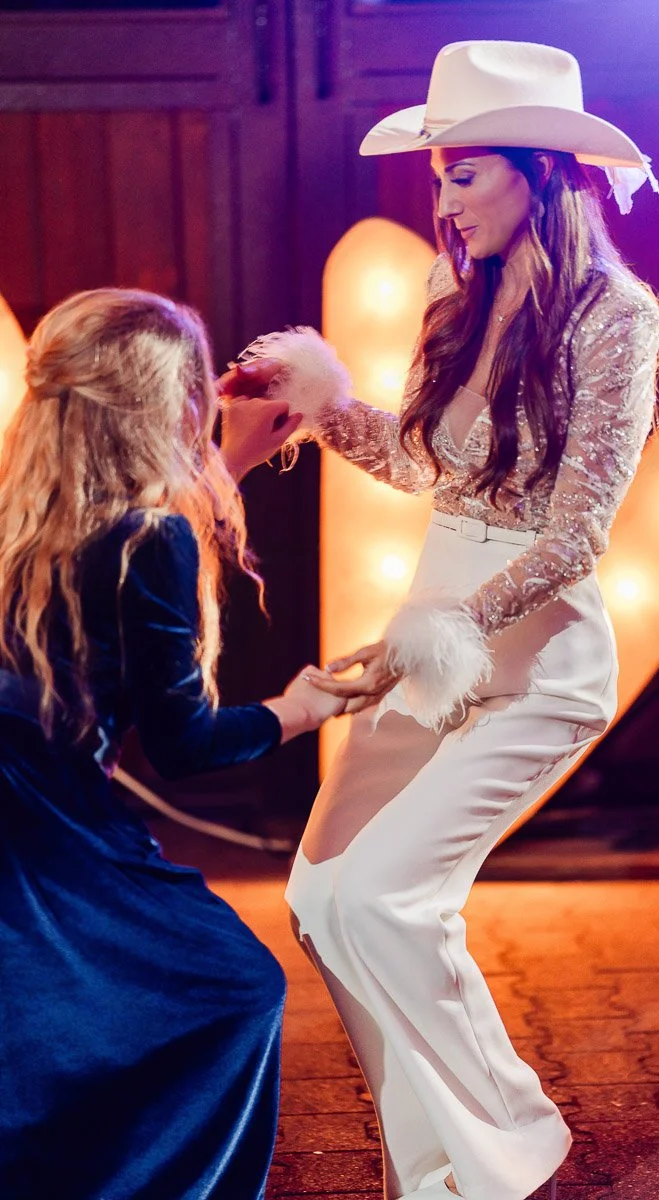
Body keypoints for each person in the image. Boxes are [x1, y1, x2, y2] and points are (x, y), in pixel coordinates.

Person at [240, 40, 659, 1200]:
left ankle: (516, 1151)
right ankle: (431, 1170)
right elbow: (435, 473)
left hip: (536, 662)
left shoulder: (615, 315)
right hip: (437, 641)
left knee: (387, 898)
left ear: (540, 172)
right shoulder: (452, 295)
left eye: (466, 173)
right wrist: (324, 405)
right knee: (323, 900)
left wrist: (442, 633)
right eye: (438, 176)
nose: (443, 201)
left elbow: (575, 534)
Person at [0, 288, 342, 1200]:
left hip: (26, 804)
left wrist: (234, 451)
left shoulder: (20, 510)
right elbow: (183, 743)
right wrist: (299, 708)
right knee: (229, 989)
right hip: (45, 824)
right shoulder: (150, 540)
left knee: (37, 1028)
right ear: (163, 403)